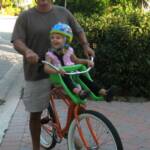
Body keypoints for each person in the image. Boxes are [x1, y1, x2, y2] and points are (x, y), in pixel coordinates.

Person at [11, 0, 94, 150]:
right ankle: (36, 147)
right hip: (37, 71)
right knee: (35, 114)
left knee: (80, 102)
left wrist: (85, 46)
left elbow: (78, 30)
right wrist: (27, 51)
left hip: (63, 71)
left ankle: (68, 129)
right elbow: (17, 40)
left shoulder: (63, 12)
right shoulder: (26, 16)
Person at [44, 23, 113, 100]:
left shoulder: (69, 50)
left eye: (58, 38)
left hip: (73, 73)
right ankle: (79, 92)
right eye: (52, 37)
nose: (54, 39)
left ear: (65, 39)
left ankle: (104, 92)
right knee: (66, 79)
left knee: (85, 79)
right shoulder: (49, 54)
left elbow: (76, 60)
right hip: (60, 76)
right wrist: (57, 71)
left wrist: (87, 61)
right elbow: (46, 68)